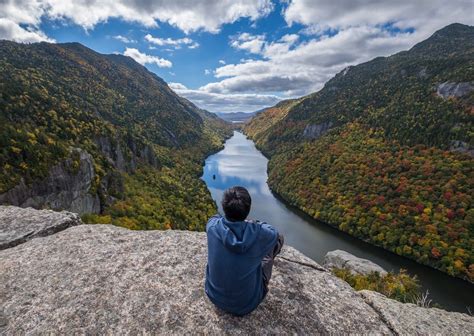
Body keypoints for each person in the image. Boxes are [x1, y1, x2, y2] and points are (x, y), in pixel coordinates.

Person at [205, 186, 284, 316]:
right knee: (276, 243)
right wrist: (251, 223)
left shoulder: (212, 226)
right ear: (248, 210)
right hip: (246, 304)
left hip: (214, 295)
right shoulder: (259, 233)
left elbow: (214, 217)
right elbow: (274, 233)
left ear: (224, 207)